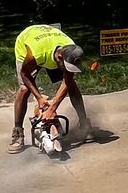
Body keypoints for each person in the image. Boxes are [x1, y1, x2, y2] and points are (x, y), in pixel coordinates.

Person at [11, 23, 89, 153]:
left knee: (72, 85)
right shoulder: (36, 53)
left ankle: (84, 123)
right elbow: (25, 74)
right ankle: (17, 133)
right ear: (59, 58)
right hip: (28, 42)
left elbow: (67, 80)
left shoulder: (71, 49)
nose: (68, 71)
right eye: (65, 67)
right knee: (25, 89)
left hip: (50, 43)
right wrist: (40, 99)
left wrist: (52, 109)